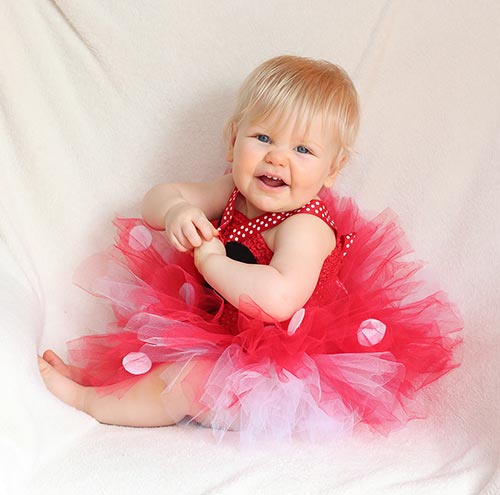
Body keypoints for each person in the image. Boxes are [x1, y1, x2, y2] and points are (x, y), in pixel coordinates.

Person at [38, 55, 462, 444]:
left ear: (331, 170)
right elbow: (157, 199)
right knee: (155, 342)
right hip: (218, 329)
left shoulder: (305, 227)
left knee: (189, 379)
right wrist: (176, 210)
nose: (277, 159)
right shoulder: (230, 191)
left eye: (302, 150)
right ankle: (106, 383)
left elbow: (277, 298)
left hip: (279, 372)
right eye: (263, 137)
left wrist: (212, 260)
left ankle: (91, 403)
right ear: (232, 141)